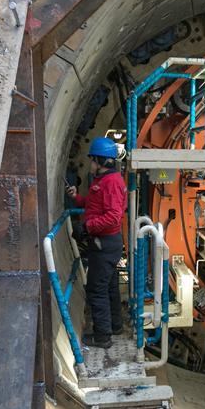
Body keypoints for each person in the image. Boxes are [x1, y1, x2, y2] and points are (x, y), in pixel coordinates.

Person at [66, 137, 127, 349]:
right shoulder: (103, 181)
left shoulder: (110, 183)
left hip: (104, 245)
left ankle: (103, 337)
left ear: (101, 161)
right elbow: (95, 206)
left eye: (92, 160)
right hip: (107, 244)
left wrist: (87, 228)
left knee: (96, 290)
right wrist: (78, 198)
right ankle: (115, 326)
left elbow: (112, 217)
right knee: (109, 287)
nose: (90, 163)